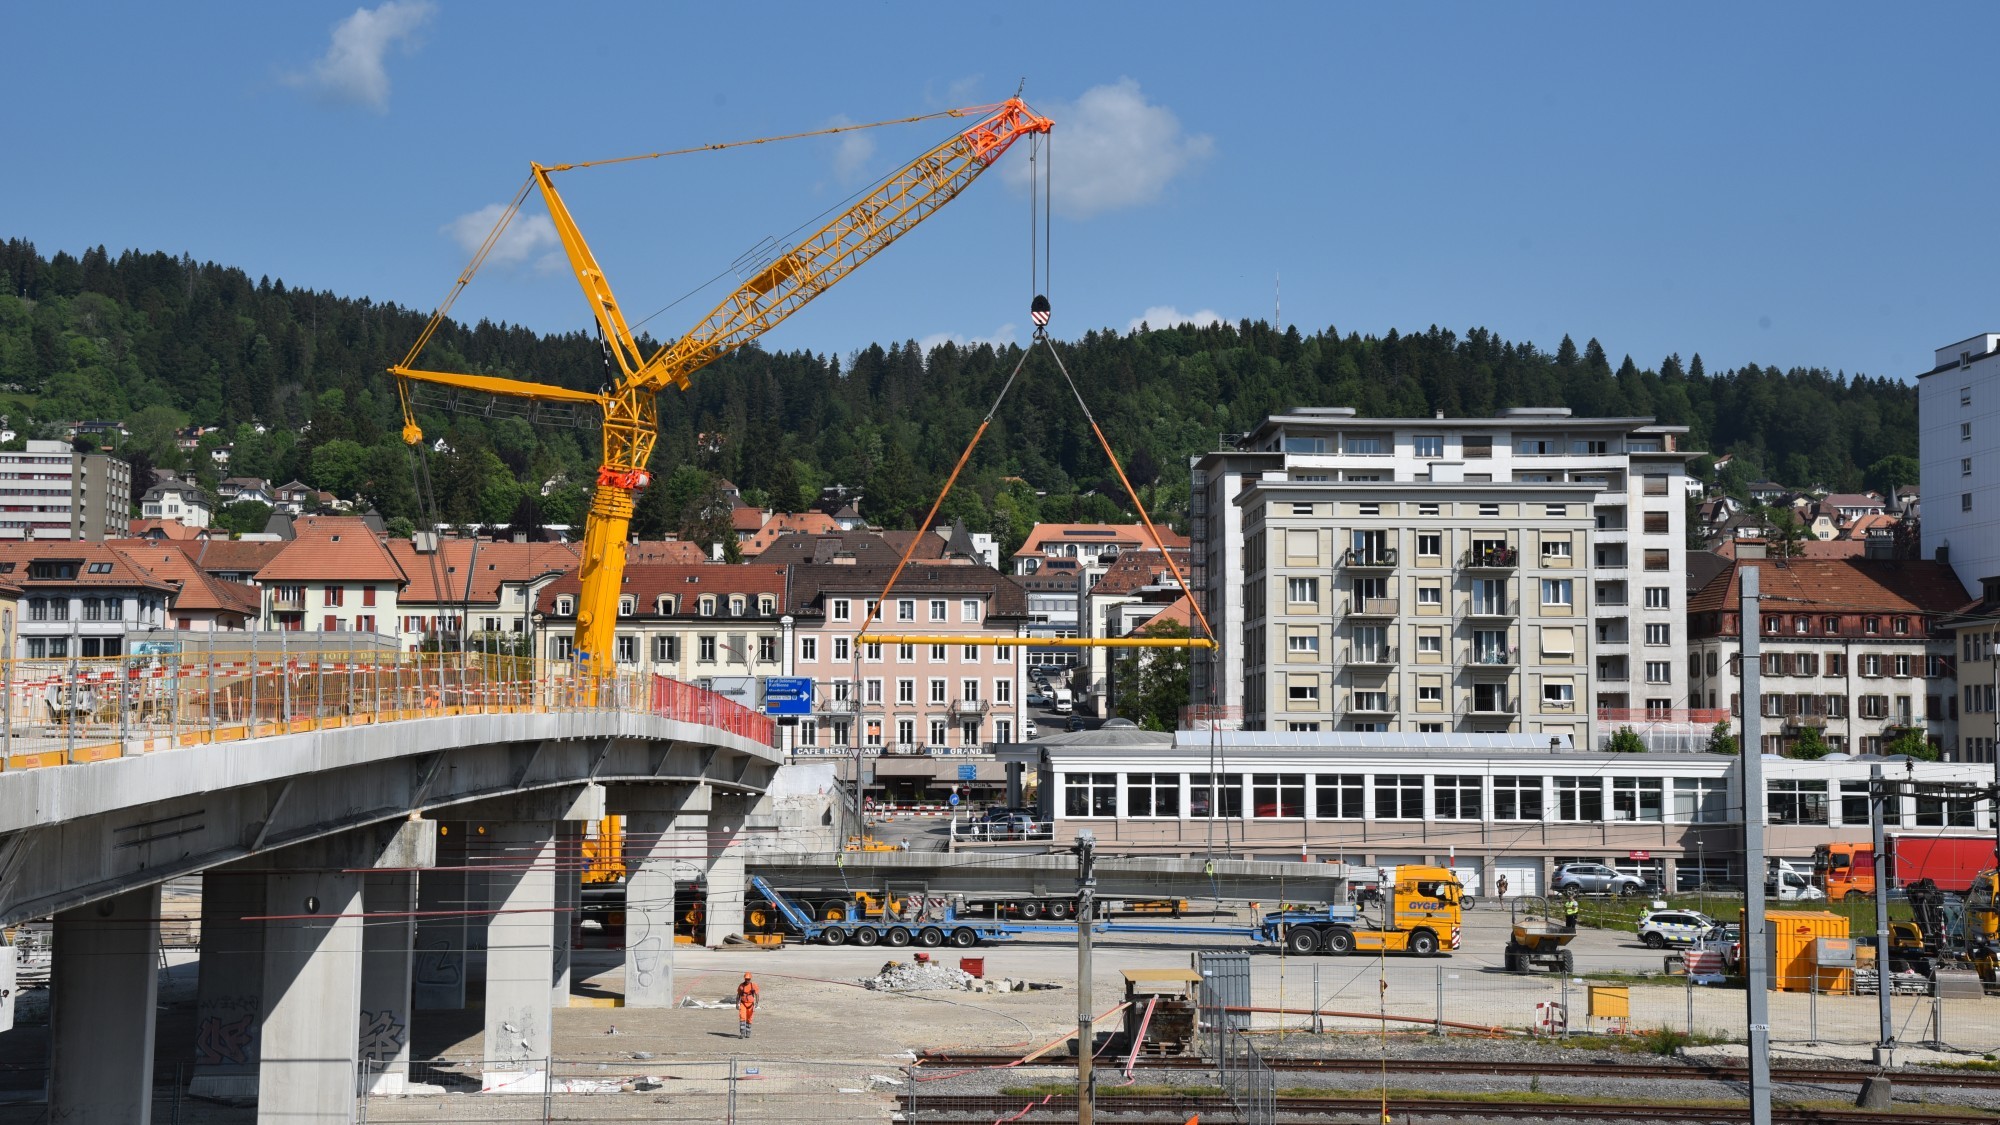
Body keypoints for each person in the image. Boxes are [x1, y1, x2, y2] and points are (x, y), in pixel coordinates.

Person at [736, 972, 760, 1039]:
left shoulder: (753, 985)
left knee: (749, 1019)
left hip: (750, 1005)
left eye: (748, 979)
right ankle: (742, 1033)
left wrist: (757, 1003)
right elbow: (738, 995)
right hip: (743, 1004)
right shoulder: (741, 986)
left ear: (750, 979)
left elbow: (757, 994)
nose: (747, 980)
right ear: (744, 978)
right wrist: (737, 1003)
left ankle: (748, 1033)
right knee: (742, 1017)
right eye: (746, 979)